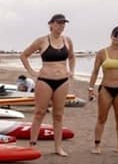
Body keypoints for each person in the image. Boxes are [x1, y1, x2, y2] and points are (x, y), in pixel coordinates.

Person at [20, 14, 76, 156]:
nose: (61, 26)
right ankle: (32, 144)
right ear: (51, 24)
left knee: (58, 114)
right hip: (45, 80)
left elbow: (72, 56)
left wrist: (72, 71)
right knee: (40, 112)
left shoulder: (67, 40)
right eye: (58, 23)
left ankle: (58, 147)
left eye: (63, 24)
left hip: (62, 80)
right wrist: (32, 71)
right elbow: (24, 55)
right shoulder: (42, 41)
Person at [87, 25, 118, 154]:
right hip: (106, 88)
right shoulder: (102, 53)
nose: (117, 38)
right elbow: (95, 72)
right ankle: (97, 145)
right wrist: (90, 88)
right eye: (116, 35)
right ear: (111, 35)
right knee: (101, 118)